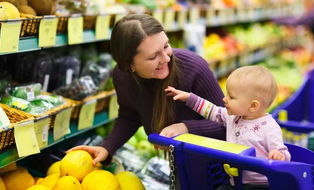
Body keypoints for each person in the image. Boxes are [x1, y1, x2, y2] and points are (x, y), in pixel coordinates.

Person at [68, 14, 226, 166]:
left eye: (166, 46)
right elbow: (130, 116)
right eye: (153, 57)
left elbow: (229, 124)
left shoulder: (194, 68)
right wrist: (107, 147)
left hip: (216, 163)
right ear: (131, 65)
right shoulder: (122, 76)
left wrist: (187, 128)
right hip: (180, 164)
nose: (166, 58)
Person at [165, 65, 291, 189]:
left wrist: (278, 154)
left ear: (253, 106)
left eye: (231, 97)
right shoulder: (232, 117)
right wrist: (189, 98)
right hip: (233, 180)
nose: (224, 99)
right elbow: (211, 110)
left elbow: (282, 152)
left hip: (259, 185)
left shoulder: (269, 127)